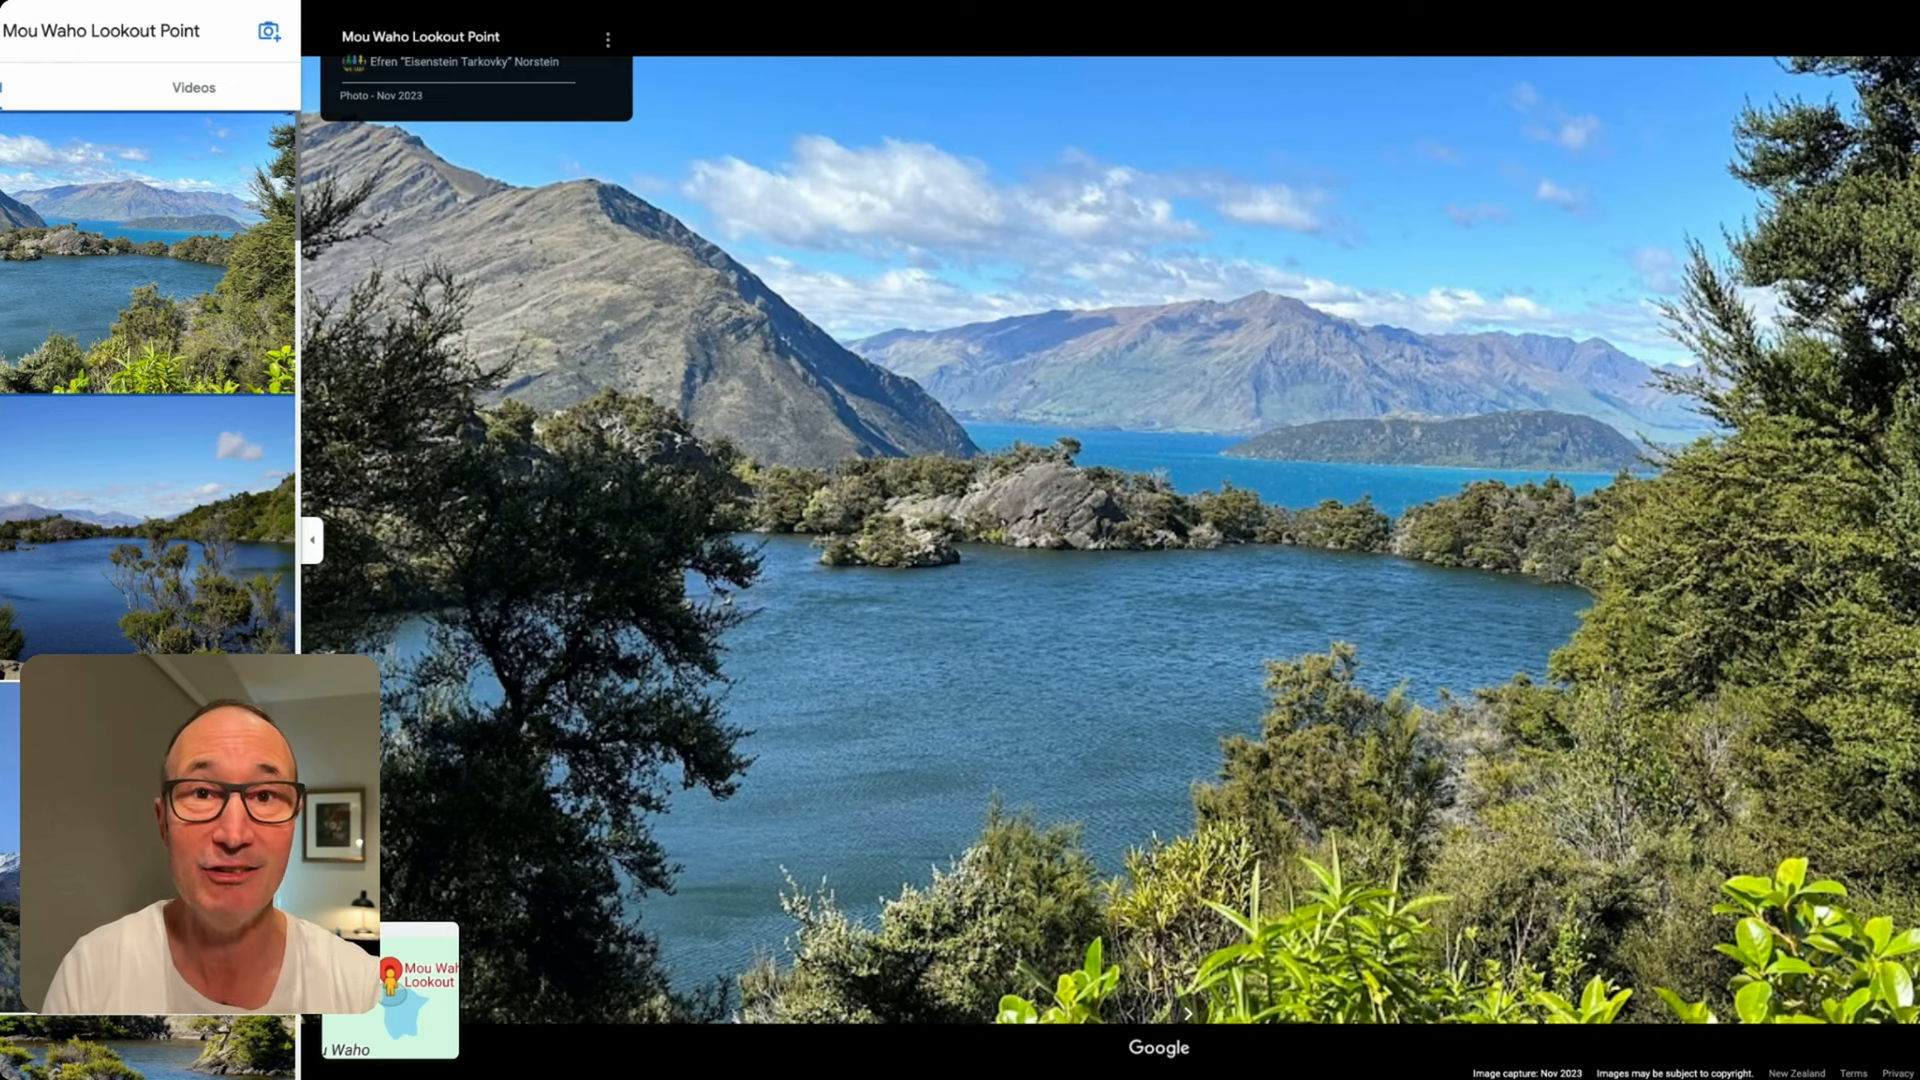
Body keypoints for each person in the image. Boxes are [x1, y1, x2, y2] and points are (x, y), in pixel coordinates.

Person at [40, 700, 379, 1013]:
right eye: (202, 792)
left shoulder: (362, 987)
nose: (233, 836)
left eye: (264, 795)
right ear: (163, 823)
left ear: (294, 820)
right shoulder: (89, 973)